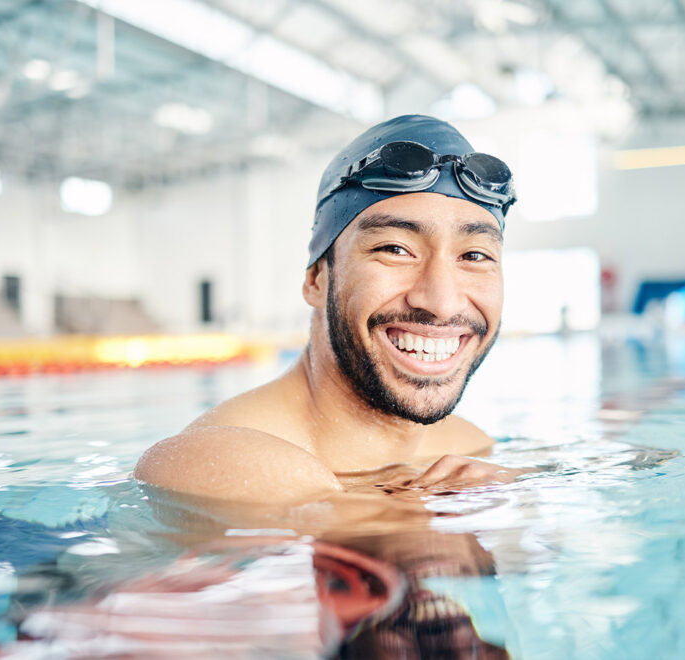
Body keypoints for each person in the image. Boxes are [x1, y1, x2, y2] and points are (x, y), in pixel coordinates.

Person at [135, 114, 522, 505]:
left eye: (474, 255)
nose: (441, 302)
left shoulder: (467, 445)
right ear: (317, 278)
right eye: (394, 249)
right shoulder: (212, 461)